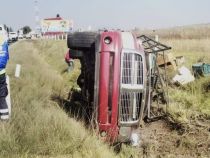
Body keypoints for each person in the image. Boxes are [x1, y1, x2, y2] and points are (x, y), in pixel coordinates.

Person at [0, 31, 9, 120]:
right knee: (2, 96)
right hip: (1, 73)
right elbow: (7, 57)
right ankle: (5, 119)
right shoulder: (3, 40)